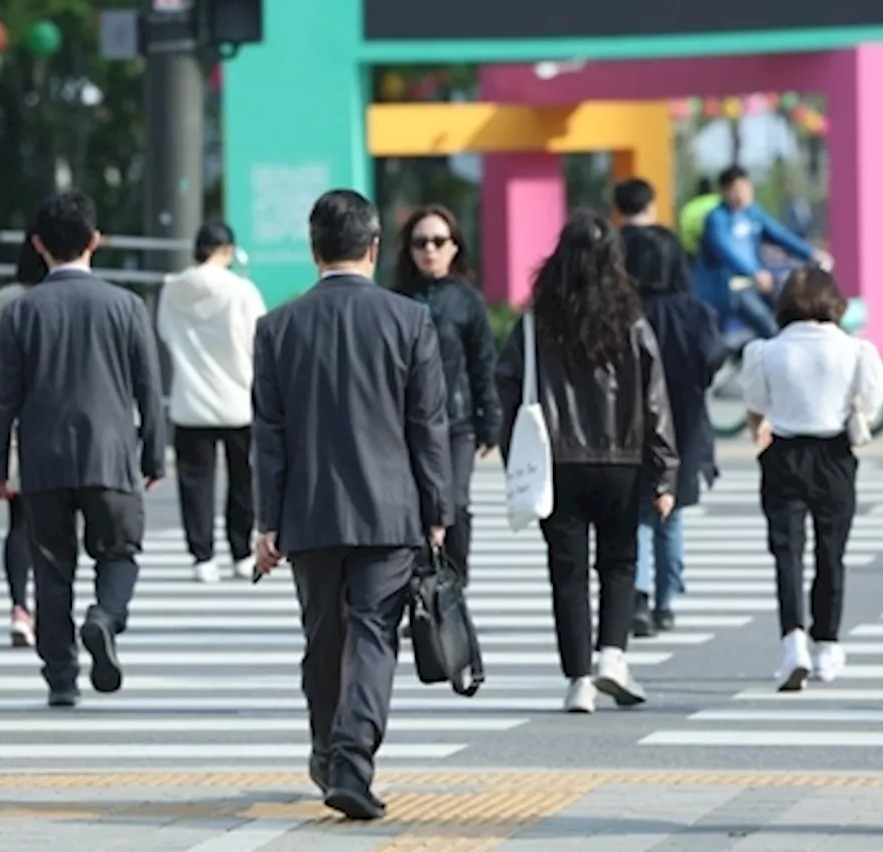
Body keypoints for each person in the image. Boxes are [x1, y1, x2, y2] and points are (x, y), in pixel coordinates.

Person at [251, 189, 452, 820]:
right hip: (390, 509)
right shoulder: (408, 320)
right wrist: (438, 507)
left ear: (314, 251)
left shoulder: (277, 327)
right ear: (374, 247)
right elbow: (429, 423)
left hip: (308, 513)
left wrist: (268, 521)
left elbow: (269, 436)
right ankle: (352, 759)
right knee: (373, 635)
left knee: (322, 637)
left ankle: (324, 748)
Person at [0, 191, 167, 707]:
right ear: (95, 241)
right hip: (111, 456)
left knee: (51, 569)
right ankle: (104, 617)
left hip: (43, 461)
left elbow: (5, 396)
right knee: (120, 552)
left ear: (38, 246)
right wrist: (154, 452)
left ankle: (61, 677)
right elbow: (148, 389)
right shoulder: (126, 305)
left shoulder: (21, 312)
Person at [496, 209, 679, 714]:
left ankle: (578, 680)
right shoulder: (630, 322)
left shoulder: (534, 324)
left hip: (556, 463)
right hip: (621, 460)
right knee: (619, 563)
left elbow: (506, 385)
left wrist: (510, 446)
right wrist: (665, 473)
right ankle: (612, 657)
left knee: (567, 572)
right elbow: (655, 400)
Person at [739, 267, 883, 692]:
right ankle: (827, 644)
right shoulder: (856, 350)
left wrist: (760, 430)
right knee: (831, 552)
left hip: (784, 453)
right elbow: (874, 397)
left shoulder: (765, 351)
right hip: (834, 455)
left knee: (787, 553)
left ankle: (793, 643)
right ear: (833, 302)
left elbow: (755, 404)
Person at [614, 178, 727, 637]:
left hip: (633, 422)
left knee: (640, 510)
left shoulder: (625, 312)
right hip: (686, 419)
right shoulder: (696, 313)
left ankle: (638, 596)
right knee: (671, 512)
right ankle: (666, 601)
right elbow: (714, 360)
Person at [392, 204, 500, 588]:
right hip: (405, 422)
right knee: (414, 508)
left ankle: (453, 589)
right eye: (421, 242)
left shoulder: (467, 301)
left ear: (455, 248)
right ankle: (421, 589)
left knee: (454, 504)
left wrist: (491, 420)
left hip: (457, 422)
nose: (430, 250)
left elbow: (483, 363)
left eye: (439, 241)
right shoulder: (396, 300)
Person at [156, 221, 266, 583]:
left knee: (194, 483)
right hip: (238, 398)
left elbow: (165, 333)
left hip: (191, 398)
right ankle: (241, 552)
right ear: (228, 251)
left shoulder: (172, 290)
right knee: (243, 479)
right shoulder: (242, 291)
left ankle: (202, 557)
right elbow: (258, 340)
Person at [0, 233, 48, 647]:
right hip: (63, 426)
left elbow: (2, 371)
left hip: (18, 422)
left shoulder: (7, 300)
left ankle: (19, 607)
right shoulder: (68, 297)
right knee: (57, 528)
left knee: (19, 523)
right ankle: (46, 608)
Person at [697, 165, 833, 340]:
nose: (743, 193)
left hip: (760, 284)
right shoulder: (717, 219)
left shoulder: (753, 213)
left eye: (747, 187)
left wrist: (811, 253)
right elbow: (725, 250)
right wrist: (753, 273)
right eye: (738, 189)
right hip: (733, 289)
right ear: (725, 191)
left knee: (791, 316)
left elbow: (780, 235)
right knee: (769, 327)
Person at [678, 177, 720, 264]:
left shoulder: (689, 207)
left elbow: (684, 234)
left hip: (694, 255)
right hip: (719, 254)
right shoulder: (719, 202)